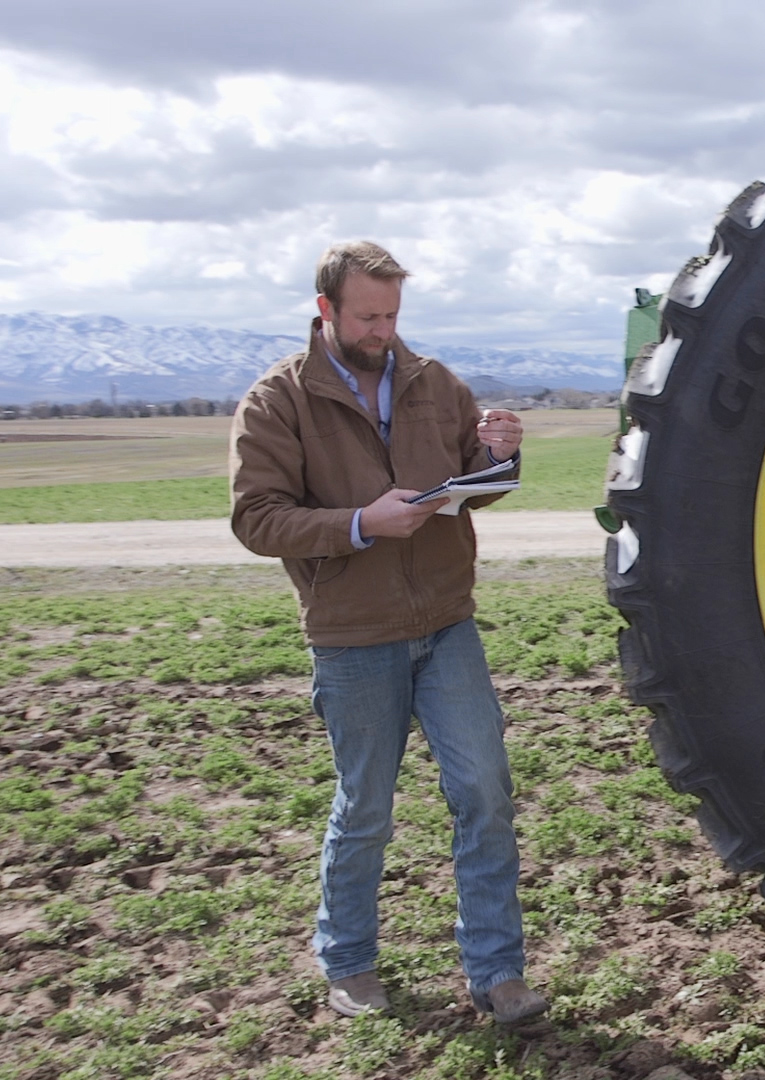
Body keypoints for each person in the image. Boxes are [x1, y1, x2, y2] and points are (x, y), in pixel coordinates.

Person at [229, 241, 547, 1023]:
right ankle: (348, 961)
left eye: (392, 315)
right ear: (326, 310)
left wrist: (499, 455)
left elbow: (474, 484)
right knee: (366, 805)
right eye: (367, 316)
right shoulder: (276, 401)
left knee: (484, 790)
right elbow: (256, 518)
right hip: (353, 634)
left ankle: (497, 973)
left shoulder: (434, 383)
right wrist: (360, 524)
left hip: (445, 623)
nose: (382, 331)